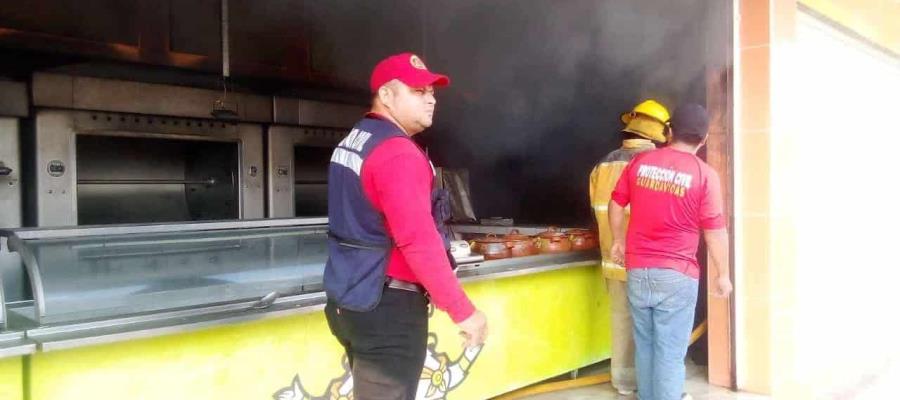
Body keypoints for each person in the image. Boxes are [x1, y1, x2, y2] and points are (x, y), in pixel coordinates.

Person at [322, 52, 488, 400]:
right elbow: (418, 240)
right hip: (388, 308)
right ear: (386, 95)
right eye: (417, 90)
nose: (430, 98)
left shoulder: (355, 141)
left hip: (349, 298)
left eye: (432, 91)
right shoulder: (397, 153)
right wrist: (464, 311)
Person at [608, 104, 733, 400]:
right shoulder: (704, 175)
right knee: (669, 353)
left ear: (670, 132)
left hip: (638, 270)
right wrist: (723, 273)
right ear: (702, 140)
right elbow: (715, 231)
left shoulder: (640, 163)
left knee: (647, 345)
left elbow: (616, 202)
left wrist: (618, 241)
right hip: (678, 275)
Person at [589, 99, 671, 396]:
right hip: (646, 259)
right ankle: (653, 385)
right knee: (653, 324)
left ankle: (623, 382)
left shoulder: (603, 164)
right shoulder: (656, 163)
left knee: (621, 322)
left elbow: (597, 207)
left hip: (612, 258)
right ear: (658, 132)